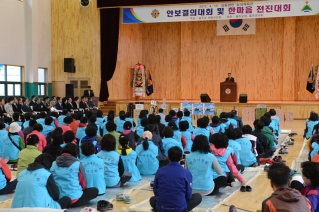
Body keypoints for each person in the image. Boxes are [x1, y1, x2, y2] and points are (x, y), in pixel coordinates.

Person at [149, 146, 202, 212]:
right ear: (181, 157)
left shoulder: (160, 171)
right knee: (198, 197)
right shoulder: (186, 173)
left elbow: (156, 192)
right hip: (179, 208)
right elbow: (188, 195)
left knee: (152, 199)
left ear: (168, 157)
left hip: (162, 208)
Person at [50, 143, 98, 207]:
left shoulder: (53, 164)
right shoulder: (78, 164)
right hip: (75, 199)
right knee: (94, 190)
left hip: (59, 199)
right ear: (76, 153)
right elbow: (84, 184)